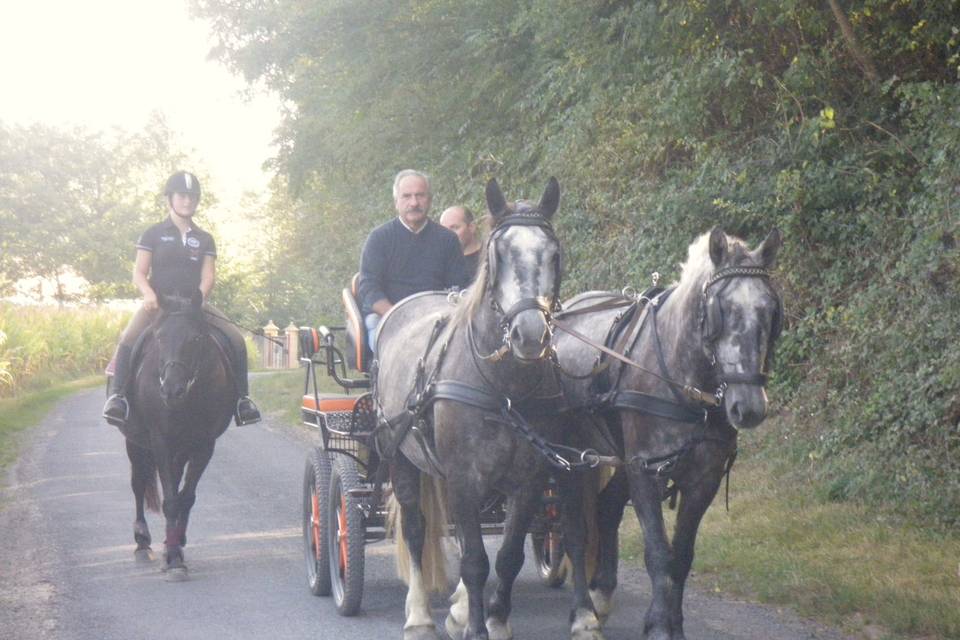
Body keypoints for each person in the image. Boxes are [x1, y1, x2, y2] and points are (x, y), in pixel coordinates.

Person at [102, 171, 261, 428]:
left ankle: (243, 400)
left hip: (193, 304)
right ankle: (118, 398)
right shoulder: (152, 234)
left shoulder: (205, 238)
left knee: (235, 338)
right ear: (170, 199)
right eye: (182, 196)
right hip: (159, 304)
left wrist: (198, 298)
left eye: (192, 197)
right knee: (128, 338)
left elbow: (208, 275)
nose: (188, 201)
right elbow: (139, 273)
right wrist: (149, 294)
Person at [358, 169, 469, 352]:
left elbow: (459, 287)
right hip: (387, 318)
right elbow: (369, 289)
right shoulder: (379, 238)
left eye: (420, 196)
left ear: (430, 200)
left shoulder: (448, 240)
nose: (414, 203)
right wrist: (399, 317)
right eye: (407, 196)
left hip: (437, 318)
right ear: (396, 202)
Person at [439, 205, 482, 281]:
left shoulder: (489, 258)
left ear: (471, 227)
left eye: (454, 228)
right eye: (444, 230)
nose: (448, 234)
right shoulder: (440, 263)